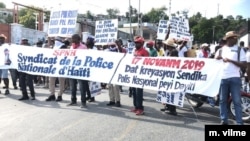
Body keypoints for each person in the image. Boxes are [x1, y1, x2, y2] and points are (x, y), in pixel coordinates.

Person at [215, 31, 246, 125]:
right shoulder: (220, 50)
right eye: (233, 37)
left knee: (236, 101)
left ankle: (239, 122)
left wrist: (230, 60)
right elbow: (214, 63)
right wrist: (217, 59)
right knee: (222, 100)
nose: (235, 39)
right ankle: (224, 120)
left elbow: (244, 65)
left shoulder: (240, 50)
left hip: (235, 78)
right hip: (223, 78)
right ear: (228, 39)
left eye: (236, 37)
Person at [67, 34, 89, 108]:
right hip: (72, 69)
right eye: (72, 38)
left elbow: (87, 58)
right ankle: (73, 100)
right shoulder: (71, 47)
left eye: (74, 38)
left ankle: (83, 102)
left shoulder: (83, 47)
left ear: (78, 39)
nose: (72, 40)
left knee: (82, 87)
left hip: (81, 70)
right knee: (72, 86)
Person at [131, 36, 149, 115]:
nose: (136, 44)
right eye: (135, 43)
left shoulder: (145, 52)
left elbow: (147, 63)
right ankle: (136, 106)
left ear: (141, 43)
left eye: (138, 43)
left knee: (139, 92)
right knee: (134, 91)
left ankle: (140, 108)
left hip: (140, 74)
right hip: (134, 73)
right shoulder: (135, 51)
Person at [45, 37, 67, 102]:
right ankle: (52, 94)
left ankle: (60, 95)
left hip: (61, 66)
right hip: (53, 66)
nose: (55, 41)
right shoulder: (53, 46)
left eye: (57, 40)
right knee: (51, 81)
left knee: (61, 81)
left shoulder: (63, 46)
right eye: (55, 40)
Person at [161, 38, 178, 116]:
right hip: (169, 74)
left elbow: (173, 62)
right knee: (167, 91)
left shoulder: (174, 52)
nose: (166, 46)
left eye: (167, 45)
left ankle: (172, 109)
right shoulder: (169, 51)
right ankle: (167, 106)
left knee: (171, 92)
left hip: (172, 74)